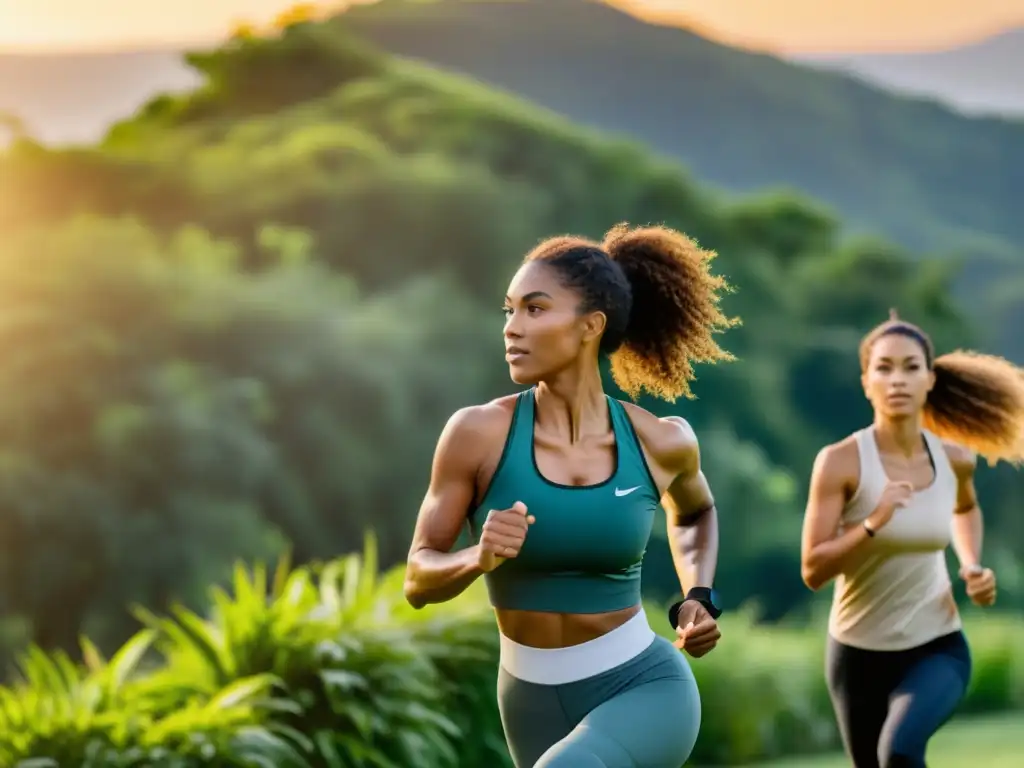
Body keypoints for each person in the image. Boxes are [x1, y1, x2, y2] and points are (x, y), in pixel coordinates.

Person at [403, 222, 739, 767]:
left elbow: (696, 510)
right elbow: (418, 580)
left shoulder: (660, 441)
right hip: (527, 698)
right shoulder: (476, 435)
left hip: (642, 684)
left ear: (591, 325)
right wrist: (477, 557)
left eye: (534, 309)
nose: (512, 328)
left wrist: (698, 596)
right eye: (508, 310)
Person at [800, 310, 1024, 768]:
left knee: (899, 753)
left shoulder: (955, 459)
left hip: (936, 647)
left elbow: (965, 508)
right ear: (866, 382)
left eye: (910, 367)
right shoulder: (840, 462)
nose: (897, 379)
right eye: (884, 368)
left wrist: (971, 563)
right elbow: (813, 570)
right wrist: (872, 523)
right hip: (856, 654)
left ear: (929, 379)